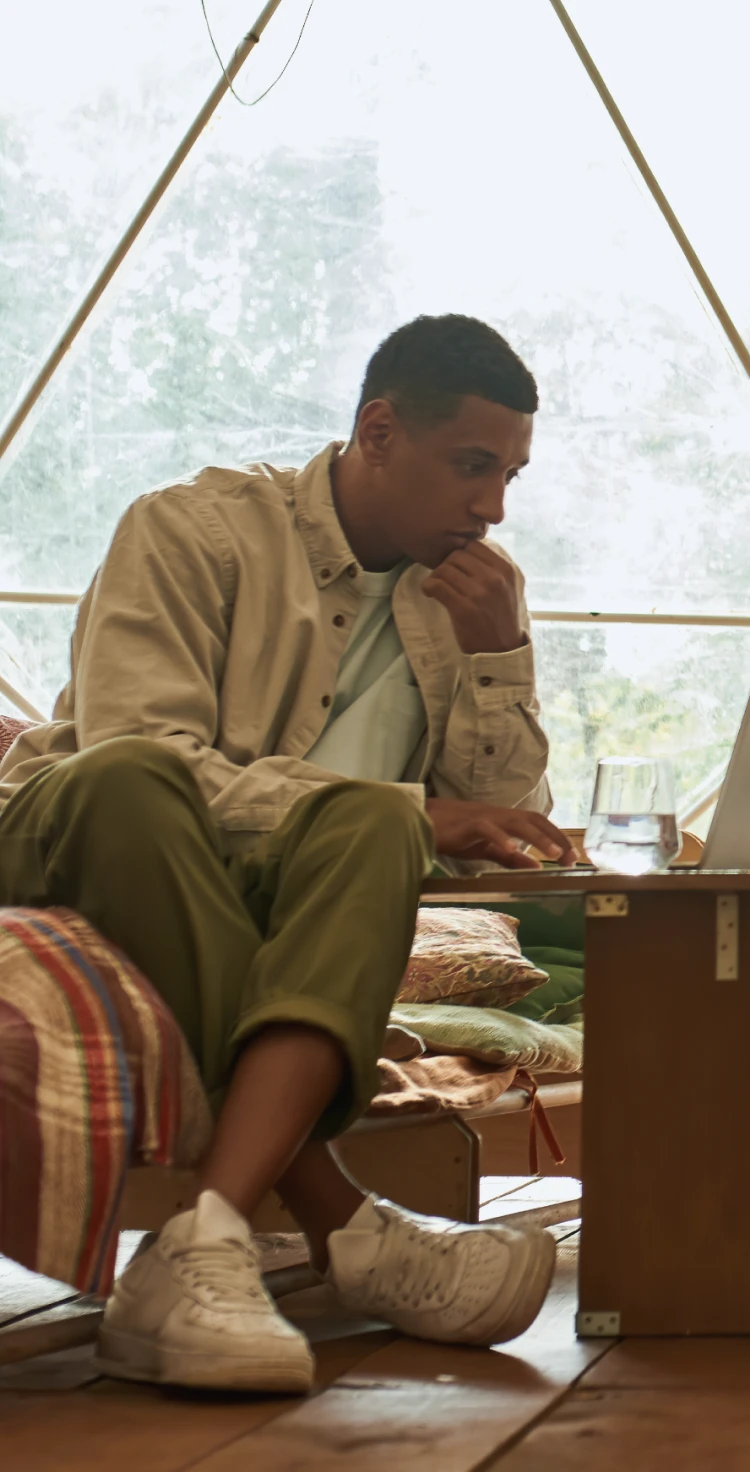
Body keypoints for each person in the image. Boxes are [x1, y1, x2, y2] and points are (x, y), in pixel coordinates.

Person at [0, 314, 576, 1392]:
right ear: (377, 430)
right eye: (472, 465)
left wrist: (499, 657)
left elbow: (504, 825)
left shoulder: (465, 592)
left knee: (370, 820)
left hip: (272, 873)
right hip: (71, 827)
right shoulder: (192, 529)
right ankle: (348, 1221)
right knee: (145, 783)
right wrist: (417, 807)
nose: (493, 505)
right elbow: (139, 754)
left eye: (509, 474)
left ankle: (201, 1243)